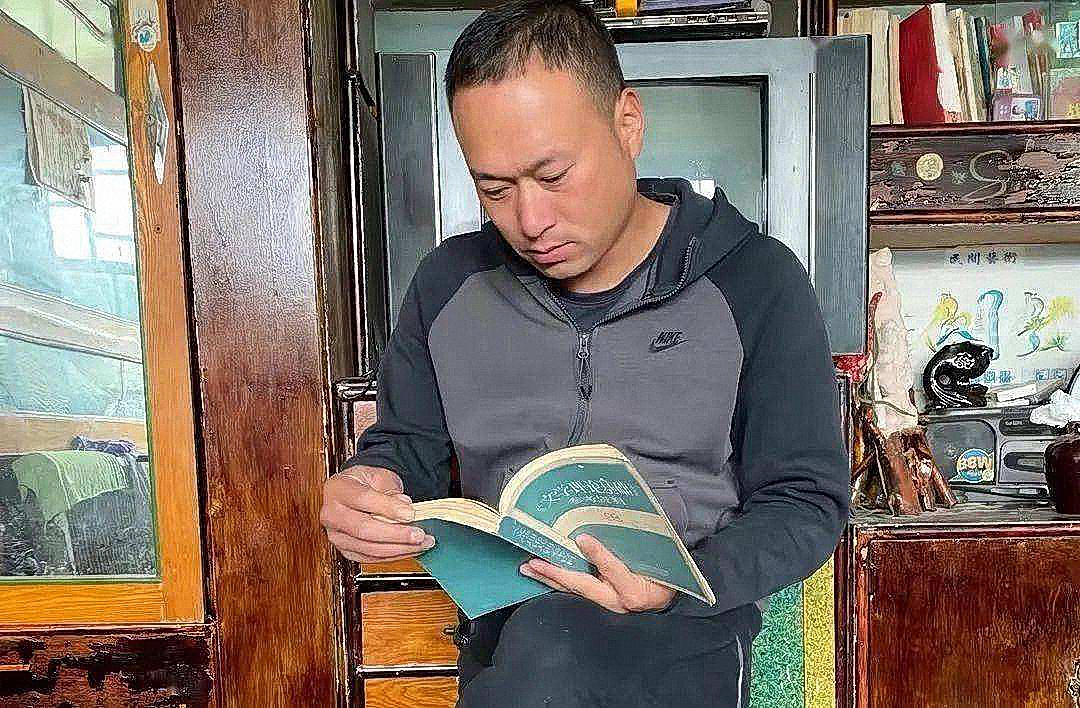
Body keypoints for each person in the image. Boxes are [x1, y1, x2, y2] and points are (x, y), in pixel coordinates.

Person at [319, 1, 850, 705]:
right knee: (540, 647)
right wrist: (370, 488)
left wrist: (682, 582)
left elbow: (807, 503)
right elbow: (407, 448)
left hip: (681, 637)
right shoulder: (448, 285)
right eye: (494, 190)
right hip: (507, 639)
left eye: (554, 176)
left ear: (627, 124)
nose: (531, 221)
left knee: (554, 650)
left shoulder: (756, 280)